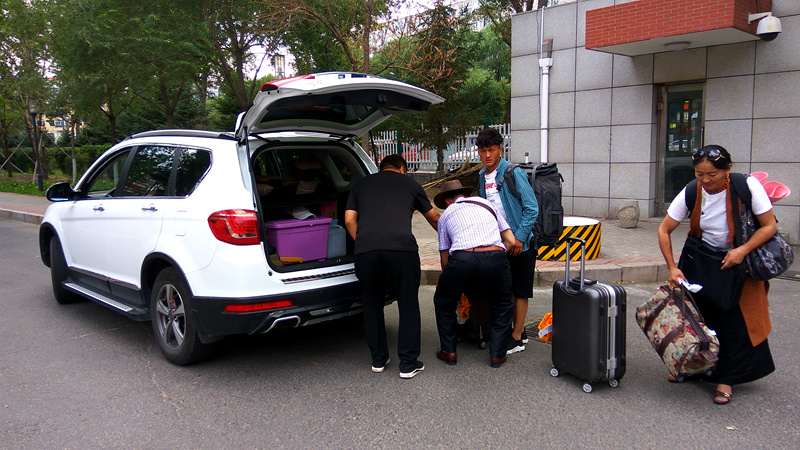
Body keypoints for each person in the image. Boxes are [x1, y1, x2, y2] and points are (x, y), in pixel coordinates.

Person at [657, 144, 777, 405]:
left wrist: (742, 250)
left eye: (712, 174)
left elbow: (769, 226)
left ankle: (726, 380)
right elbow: (664, 230)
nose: (705, 180)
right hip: (700, 260)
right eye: (699, 174)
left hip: (737, 261)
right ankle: (692, 366)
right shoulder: (692, 190)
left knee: (733, 323)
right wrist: (672, 267)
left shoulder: (746, 186)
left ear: (728, 169)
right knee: (695, 319)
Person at [344, 154, 440, 379]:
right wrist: (451, 241)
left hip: (367, 250)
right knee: (408, 303)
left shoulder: (361, 184)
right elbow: (434, 217)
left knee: (371, 302)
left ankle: (378, 359)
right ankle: (408, 364)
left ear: (381, 168)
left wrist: (363, 242)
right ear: (402, 169)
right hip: (401, 249)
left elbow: (349, 220)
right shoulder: (410, 184)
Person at [432, 180, 516, 368]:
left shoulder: (445, 216)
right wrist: (495, 258)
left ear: (447, 201)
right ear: (466, 195)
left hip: (462, 258)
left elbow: (445, 260)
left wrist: (454, 285)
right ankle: (497, 355)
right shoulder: (487, 204)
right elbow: (510, 240)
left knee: (443, 301)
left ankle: (449, 351)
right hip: (495, 255)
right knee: (502, 304)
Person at [477, 128, 539, 354]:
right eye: (483, 150)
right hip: (500, 242)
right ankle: (517, 330)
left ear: (500, 150)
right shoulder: (482, 176)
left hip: (522, 242)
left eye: (491, 150)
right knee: (508, 289)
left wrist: (520, 237)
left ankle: (517, 337)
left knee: (521, 290)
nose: (487, 155)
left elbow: (532, 208)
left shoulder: (514, 172)